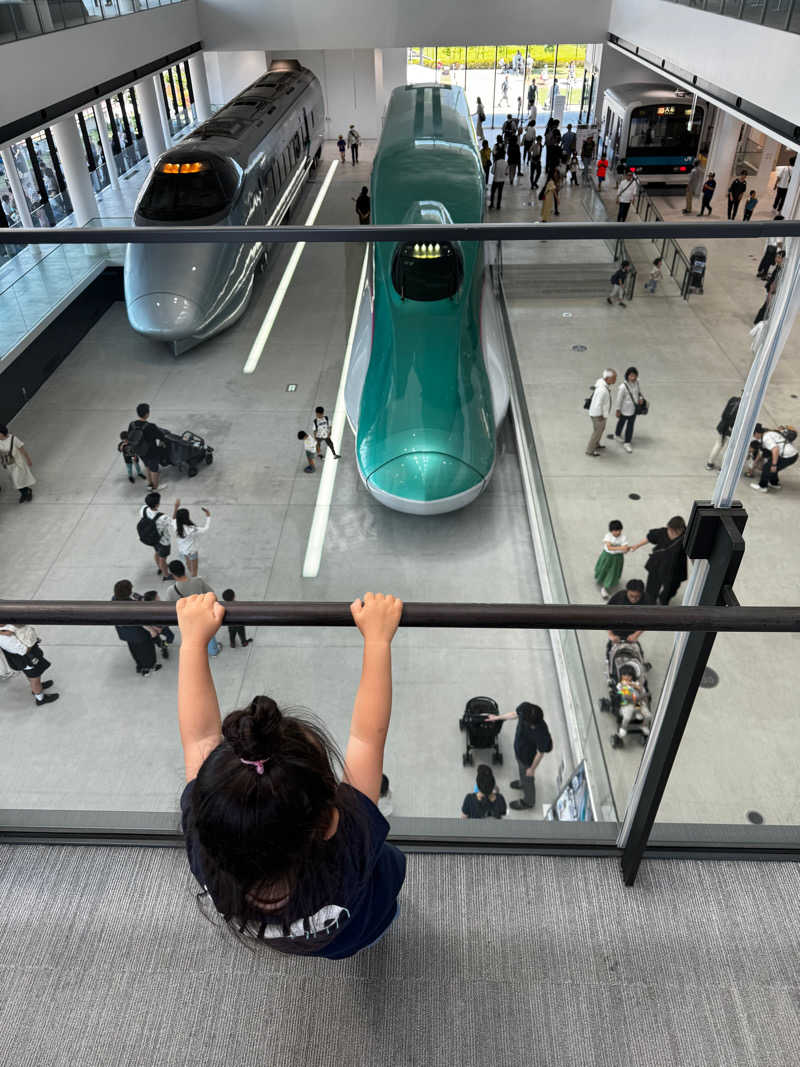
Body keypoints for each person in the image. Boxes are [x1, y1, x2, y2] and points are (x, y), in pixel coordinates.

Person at [176, 590, 406, 957]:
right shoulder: (351, 845)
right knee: (382, 913)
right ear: (330, 821)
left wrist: (190, 643)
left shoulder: (211, 855)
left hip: (312, 941)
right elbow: (365, 739)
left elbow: (198, 737)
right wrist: (378, 639)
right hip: (364, 922)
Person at [482, 702, 553, 811]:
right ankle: (522, 783)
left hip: (528, 758)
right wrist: (498, 718)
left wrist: (532, 769)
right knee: (521, 771)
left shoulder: (542, 733)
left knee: (527, 777)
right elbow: (514, 714)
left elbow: (540, 753)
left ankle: (529, 801)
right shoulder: (525, 708)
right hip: (519, 750)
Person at [163, 561, 222, 657]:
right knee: (208, 634)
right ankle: (213, 651)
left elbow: (168, 607)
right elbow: (211, 593)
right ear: (184, 569)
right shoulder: (197, 581)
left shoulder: (171, 590)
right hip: (203, 615)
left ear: (173, 574)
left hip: (187, 620)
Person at [630, 516, 688, 606]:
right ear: (668, 527)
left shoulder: (686, 538)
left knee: (671, 589)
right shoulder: (662, 532)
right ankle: (650, 601)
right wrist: (637, 546)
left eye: (675, 532)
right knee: (652, 587)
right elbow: (650, 538)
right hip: (658, 564)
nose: (672, 534)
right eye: (670, 530)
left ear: (681, 530)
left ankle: (663, 600)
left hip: (674, 568)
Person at [0, 623, 59, 704]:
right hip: (26, 659)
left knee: (34, 676)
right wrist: (33, 638)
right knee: (34, 678)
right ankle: (40, 698)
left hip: (27, 656)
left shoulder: (5, 628)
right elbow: (23, 651)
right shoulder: (4, 638)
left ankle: (38, 686)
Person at [112, 579, 161, 677]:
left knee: (135, 649)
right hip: (138, 633)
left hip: (126, 632)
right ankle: (149, 667)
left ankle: (140, 666)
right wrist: (152, 630)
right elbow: (140, 621)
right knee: (147, 650)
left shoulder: (114, 599)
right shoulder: (131, 605)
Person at [127, 403, 164, 491]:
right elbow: (161, 436)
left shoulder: (132, 424)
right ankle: (155, 487)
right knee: (154, 469)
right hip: (151, 451)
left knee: (147, 466)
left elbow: (129, 437)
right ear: (147, 414)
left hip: (139, 451)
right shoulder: (150, 426)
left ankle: (149, 484)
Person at [750, 425, 798, 492]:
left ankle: (762, 486)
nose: (754, 436)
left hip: (788, 456)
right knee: (772, 467)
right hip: (792, 454)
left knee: (767, 467)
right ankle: (774, 483)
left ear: (757, 433)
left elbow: (775, 449)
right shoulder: (769, 432)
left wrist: (774, 464)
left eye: (754, 434)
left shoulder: (766, 438)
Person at [607, 579, 648, 655]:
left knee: (638, 652)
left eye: (637, 597)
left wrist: (636, 635)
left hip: (633, 629)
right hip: (616, 628)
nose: (634, 599)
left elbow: (647, 621)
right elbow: (606, 614)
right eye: (631, 596)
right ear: (627, 591)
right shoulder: (619, 597)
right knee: (611, 649)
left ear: (642, 594)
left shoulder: (646, 600)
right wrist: (611, 635)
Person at [171, 499, 211, 578]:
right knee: (195, 568)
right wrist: (208, 516)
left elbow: (173, 518)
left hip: (182, 550)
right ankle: (194, 578)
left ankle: (190, 572)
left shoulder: (175, 525)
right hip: (192, 551)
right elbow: (206, 528)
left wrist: (176, 507)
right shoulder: (192, 529)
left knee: (188, 562)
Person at [137, 491, 173, 580]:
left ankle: (160, 567)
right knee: (163, 557)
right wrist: (176, 508)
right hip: (163, 540)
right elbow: (173, 523)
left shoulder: (143, 509)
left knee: (157, 552)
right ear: (157, 505)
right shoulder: (162, 517)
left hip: (152, 538)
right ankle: (166, 574)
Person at [612, 666, 650, 746]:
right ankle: (623, 729)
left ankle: (644, 725)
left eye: (629, 676)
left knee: (648, 715)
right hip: (627, 704)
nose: (627, 677)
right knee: (627, 716)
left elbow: (642, 691)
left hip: (638, 702)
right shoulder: (620, 685)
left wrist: (635, 686)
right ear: (621, 676)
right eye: (624, 675)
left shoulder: (635, 683)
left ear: (632, 677)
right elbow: (624, 695)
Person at [594, 520, 629, 599]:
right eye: (615, 531)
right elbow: (609, 547)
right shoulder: (608, 536)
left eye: (619, 530)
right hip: (607, 556)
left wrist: (623, 548)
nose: (617, 532)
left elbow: (625, 548)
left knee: (612, 572)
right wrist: (621, 548)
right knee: (603, 569)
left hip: (617, 558)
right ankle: (602, 579)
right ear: (611, 531)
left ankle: (605, 588)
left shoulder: (623, 537)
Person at [0, 425, 36, 503]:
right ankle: (24, 493)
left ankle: (27, 492)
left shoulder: (13, 439)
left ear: (2, 433)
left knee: (18, 480)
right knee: (15, 481)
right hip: (8, 464)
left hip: (18, 463)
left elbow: (22, 450)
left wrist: (28, 459)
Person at [586, 368, 617, 457]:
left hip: (598, 414)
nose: (615, 380)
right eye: (613, 378)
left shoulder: (601, 383)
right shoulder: (602, 390)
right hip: (598, 415)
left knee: (600, 430)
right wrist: (600, 415)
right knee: (597, 432)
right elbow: (598, 404)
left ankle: (596, 444)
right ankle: (590, 450)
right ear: (607, 378)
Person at [705, 395, 741, 470]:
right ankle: (722, 468)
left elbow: (723, 413)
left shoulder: (733, 399)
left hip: (723, 426)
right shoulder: (744, 406)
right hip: (731, 429)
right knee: (728, 449)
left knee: (718, 444)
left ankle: (709, 463)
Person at [614, 366, 643, 452]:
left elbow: (639, 392)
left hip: (633, 409)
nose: (633, 378)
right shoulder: (623, 387)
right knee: (621, 422)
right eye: (631, 376)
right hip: (624, 409)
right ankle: (617, 434)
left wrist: (640, 398)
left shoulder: (637, 383)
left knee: (630, 426)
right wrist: (618, 410)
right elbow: (619, 399)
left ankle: (627, 442)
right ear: (627, 376)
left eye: (634, 375)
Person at [141, 589, 175, 661]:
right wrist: (155, 628)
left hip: (163, 627)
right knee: (157, 641)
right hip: (155, 629)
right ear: (153, 600)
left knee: (170, 637)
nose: (159, 597)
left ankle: (164, 645)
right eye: (157, 597)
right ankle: (163, 647)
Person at [754, 250, 785, 324]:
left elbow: (774, 283)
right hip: (771, 289)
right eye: (776, 257)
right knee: (767, 306)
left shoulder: (780, 269)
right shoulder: (778, 267)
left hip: (772, 290)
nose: (776, 259)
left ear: (782, 259)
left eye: (779, 257)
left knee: (767, 306)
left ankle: (760, 321)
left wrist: (770, 293)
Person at [489, 143, 506, 209]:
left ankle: (492, 204)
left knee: (493, 192)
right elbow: (506, 173)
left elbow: (492, 172)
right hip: (502, 181)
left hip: (496, 180)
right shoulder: (505, 163)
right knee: (500, 193)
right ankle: (498, 205)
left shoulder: (496, 163)